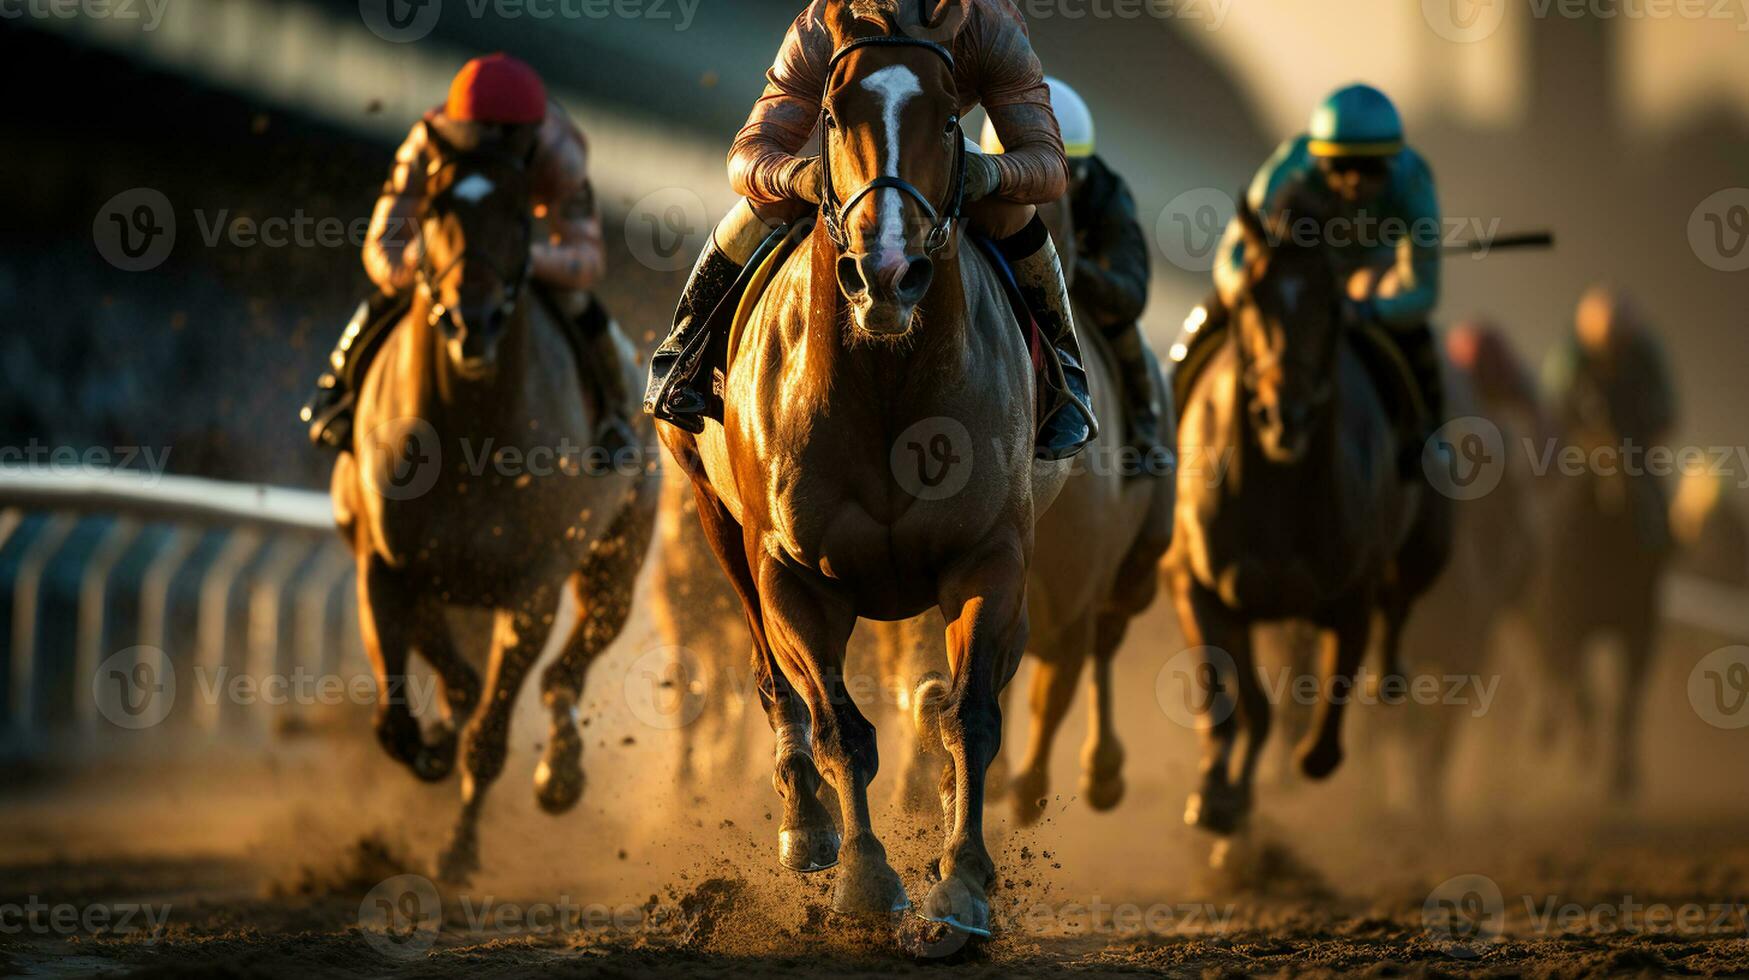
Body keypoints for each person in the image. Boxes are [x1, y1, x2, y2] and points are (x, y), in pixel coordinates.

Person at [641, 0, 1098, 460]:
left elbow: (1048, 165)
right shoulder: (822, 25)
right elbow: (749, 153)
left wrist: (992, 176)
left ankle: (1064, 376)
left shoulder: (991, 27)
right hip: (849, 157)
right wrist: (798, 177)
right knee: (763, 203)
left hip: (934, 148)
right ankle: (685, 354)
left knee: (1012, 211)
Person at [300, 53, 633, 453]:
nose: (489, 147)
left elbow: (586, 260)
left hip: (511, 242)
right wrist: (425, 266)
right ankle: (336, 389)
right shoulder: (426, 144)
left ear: (530, 138)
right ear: (456, 128)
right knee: (394, 294)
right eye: (476, 135)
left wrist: (526, 262)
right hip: (450, 246)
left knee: (574, 299)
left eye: (504, 138)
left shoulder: (560, 154)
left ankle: (616, 414)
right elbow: (381, 247)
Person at [1173, 83, 1444, 477]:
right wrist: (1246, 292)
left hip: (1371, 268)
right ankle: (1166, 407)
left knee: (1414, 334)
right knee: (1210, 313)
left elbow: (1422, 291)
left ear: (1392, 162)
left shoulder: (1414, 183)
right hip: (1298, 265)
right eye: (1340, 168)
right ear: (1319, 161)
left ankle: (1427, 439)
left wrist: (1368, 310)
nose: (1354, 182)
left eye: (1369, 169)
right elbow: (1231, 258)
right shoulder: (1290, 167)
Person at [981, 76, 1164, 465]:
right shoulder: (977, 187)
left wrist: (1066, 269)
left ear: (1080, 172)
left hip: (1079, 288)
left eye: (1060, 179)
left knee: (1124, 330)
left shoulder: (1108, 196)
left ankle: (1144, 424)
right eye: (1028, 178)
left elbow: (1130, 294)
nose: (1046, 194)